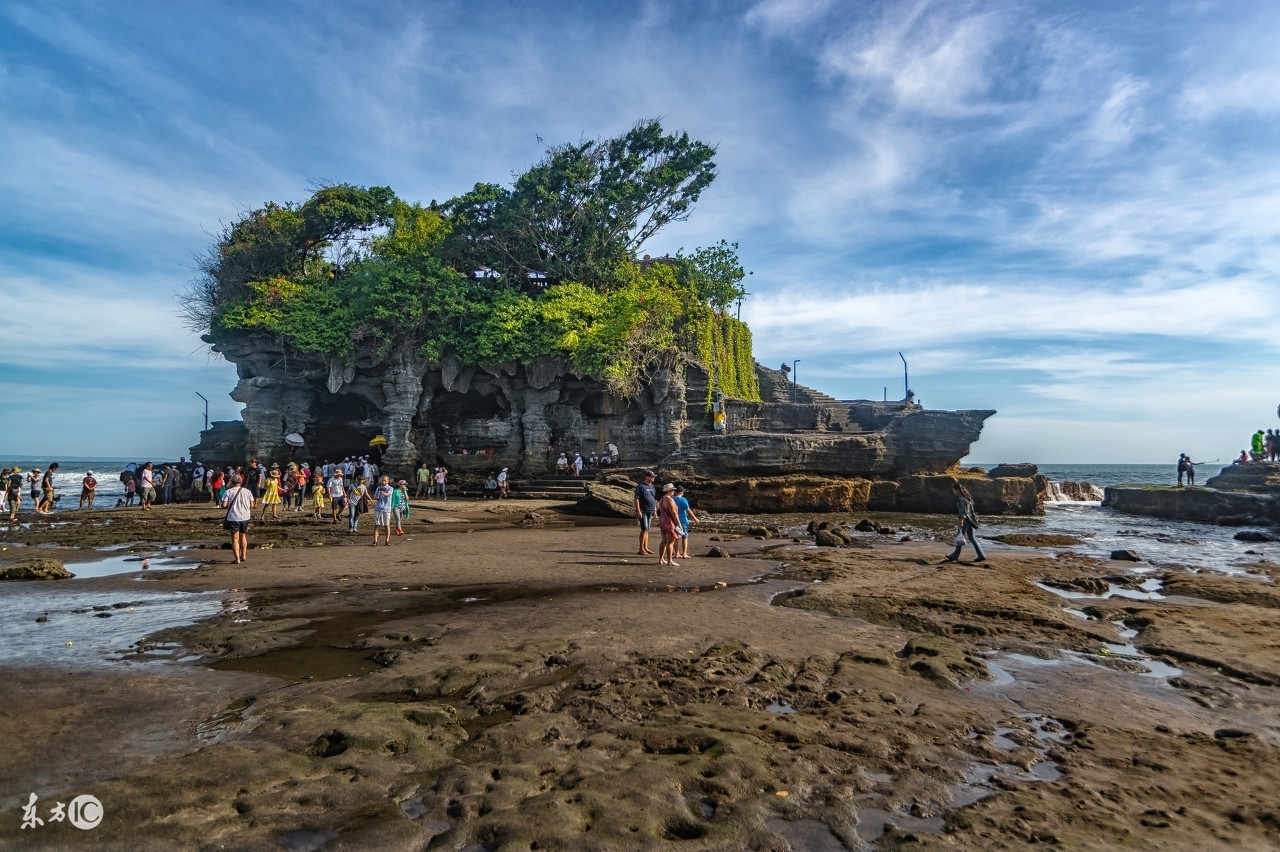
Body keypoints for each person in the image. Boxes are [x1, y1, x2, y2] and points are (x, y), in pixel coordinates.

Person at [943, 482, 986, 563]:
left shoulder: (962, 500)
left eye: (954, 490)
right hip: (971, 521)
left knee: (959, 536)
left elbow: (963, 512)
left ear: (958, 490)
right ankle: (981, 555)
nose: (953, 492)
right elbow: (971, 512)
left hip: (966, 520)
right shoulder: (968, 499)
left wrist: (961, 521)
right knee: (972, 539)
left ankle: (955, 555)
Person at [220, 473, 255, 564]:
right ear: (241, 482)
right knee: (243, 536)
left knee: (235, 539)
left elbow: (223, 505)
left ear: (232, 482)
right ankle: (243, 555)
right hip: (245, 516)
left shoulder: (228, 492)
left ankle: (237, 559)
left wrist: (230, 504)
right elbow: (252, 505)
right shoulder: (247, 491)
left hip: (233, 517)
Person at [657, 483, 683, 567]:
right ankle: (670, 561)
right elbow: (674, 513)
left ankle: (661, 559)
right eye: (672, 490)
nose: (674, 491)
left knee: (664, 541)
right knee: (670, 542)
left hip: (662, 521)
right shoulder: (669, 499)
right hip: (669, 522)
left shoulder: (662, 499)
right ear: (668, 491)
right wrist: (679, 524)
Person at [633, 470, 658, 556]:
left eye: (654, 476)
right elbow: (636, 498)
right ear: (647, 477)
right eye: (652, 476)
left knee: (647, 530)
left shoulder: (653, 487)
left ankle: (646, 547)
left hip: (650, 510)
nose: (653, 478)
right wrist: (638, 510)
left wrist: (655, 510)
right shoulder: (641, 486)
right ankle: (641, 548)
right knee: (644, 529)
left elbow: (653, 499)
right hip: (643, 510)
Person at [673, 485, 699, 560]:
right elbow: (688, 510)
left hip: (674, 520)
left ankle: (676, 553)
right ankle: (684, 553)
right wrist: (695, 519)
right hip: (683, 520)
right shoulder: (683, 499)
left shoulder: (672, 499)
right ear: (682, 492)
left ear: (675, 492)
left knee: (676, 537)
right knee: (684, 537)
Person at [372, 475, 395, 546]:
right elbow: (375, 496)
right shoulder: (378, 488)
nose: (383, 482)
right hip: (378, 508)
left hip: (386, 508)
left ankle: (387, 540)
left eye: (385, 480)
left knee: (386, 525)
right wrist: (377, 497)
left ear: (388, 481)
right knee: (377, 525)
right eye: (382, 480)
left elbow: (389, 494)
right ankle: (375, 541)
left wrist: (384, 493)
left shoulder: (390, 488)